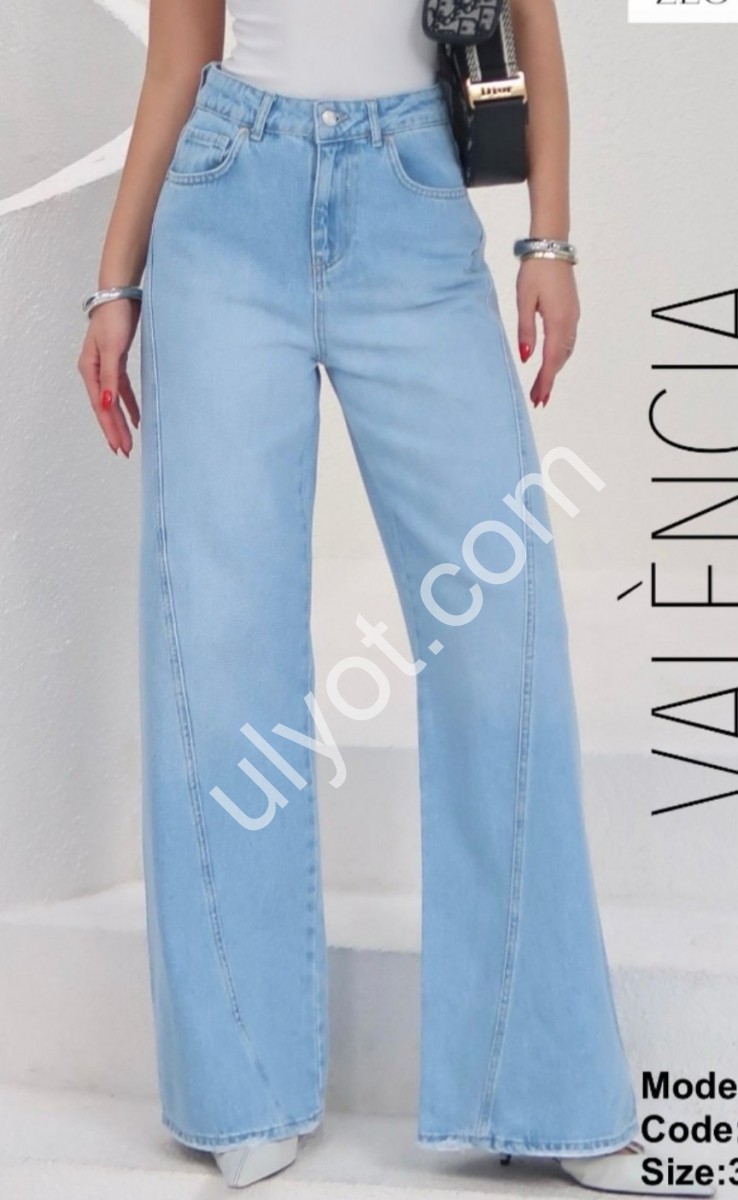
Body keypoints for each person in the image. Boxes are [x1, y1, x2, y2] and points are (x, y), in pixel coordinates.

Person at [76, 1, 713, 1195]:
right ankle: (240, 1086)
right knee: (217, 651)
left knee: (501, 632)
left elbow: (534, 30)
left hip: (413, 203)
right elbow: (178, 61)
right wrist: (113, 285)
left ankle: (546, 1085)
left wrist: (550, 242)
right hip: (225, 209)